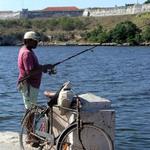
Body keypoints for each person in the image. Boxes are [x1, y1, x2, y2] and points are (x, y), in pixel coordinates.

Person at [17, 31, 54, 145]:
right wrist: (44, 67)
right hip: (29, 85)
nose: (37, 43)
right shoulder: (27, 53)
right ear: (27, 41)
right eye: (35, 41)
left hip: (30, 85)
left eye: (37, 41)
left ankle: (31, 134)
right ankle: (30, 137)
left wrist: (44, 68)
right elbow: (30, 72)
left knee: (30, 110)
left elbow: (33, 68)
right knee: (30, 111)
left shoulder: (27, 50)